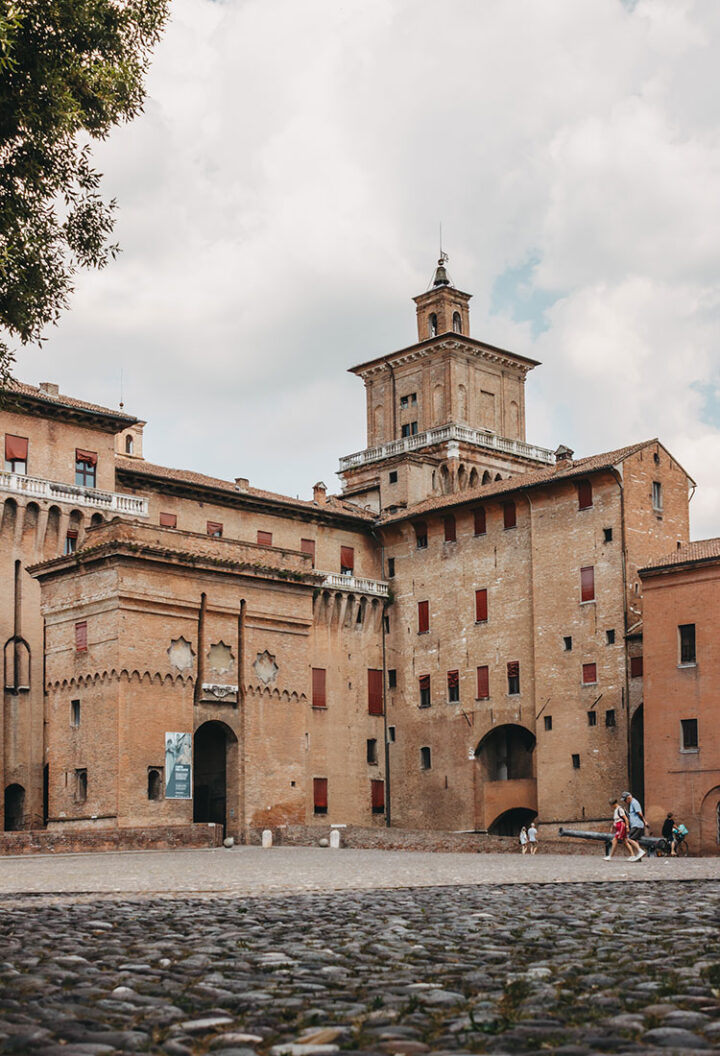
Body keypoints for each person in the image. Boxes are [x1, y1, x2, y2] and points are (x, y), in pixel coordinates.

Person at [622, 791, 647, 858]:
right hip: (635, 825)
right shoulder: (632, 803)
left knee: (628, 838)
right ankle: (639, 855)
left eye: (625, 799)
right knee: (635, 840)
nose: (625, 801)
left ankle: (640, 851)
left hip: (637, 825)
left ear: (629, 797)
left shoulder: (634, 803)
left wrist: (645, 822)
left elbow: (640, 813)